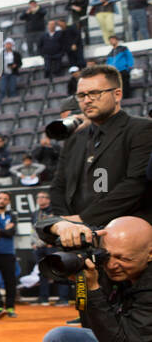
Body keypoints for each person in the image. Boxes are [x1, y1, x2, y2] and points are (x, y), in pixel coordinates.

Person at [48, 65, 152, 242]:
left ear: (117, 94)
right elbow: (58, 186)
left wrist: (84, 220)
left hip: (126, 237)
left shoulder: (141, 129)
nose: (87, 100)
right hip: (78, 238)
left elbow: (135, 185)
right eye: (81, 95)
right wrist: (67, 224)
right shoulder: (74, 139)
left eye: (94, 93)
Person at [0, 192, 19, 318]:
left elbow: (11, 231)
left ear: (8, 202)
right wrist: (3, 230)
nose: (2, 201)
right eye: (0, 198)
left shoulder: (12, 215)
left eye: (5, 199)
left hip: (8, 253)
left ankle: (10, 307)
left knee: (10, 281)